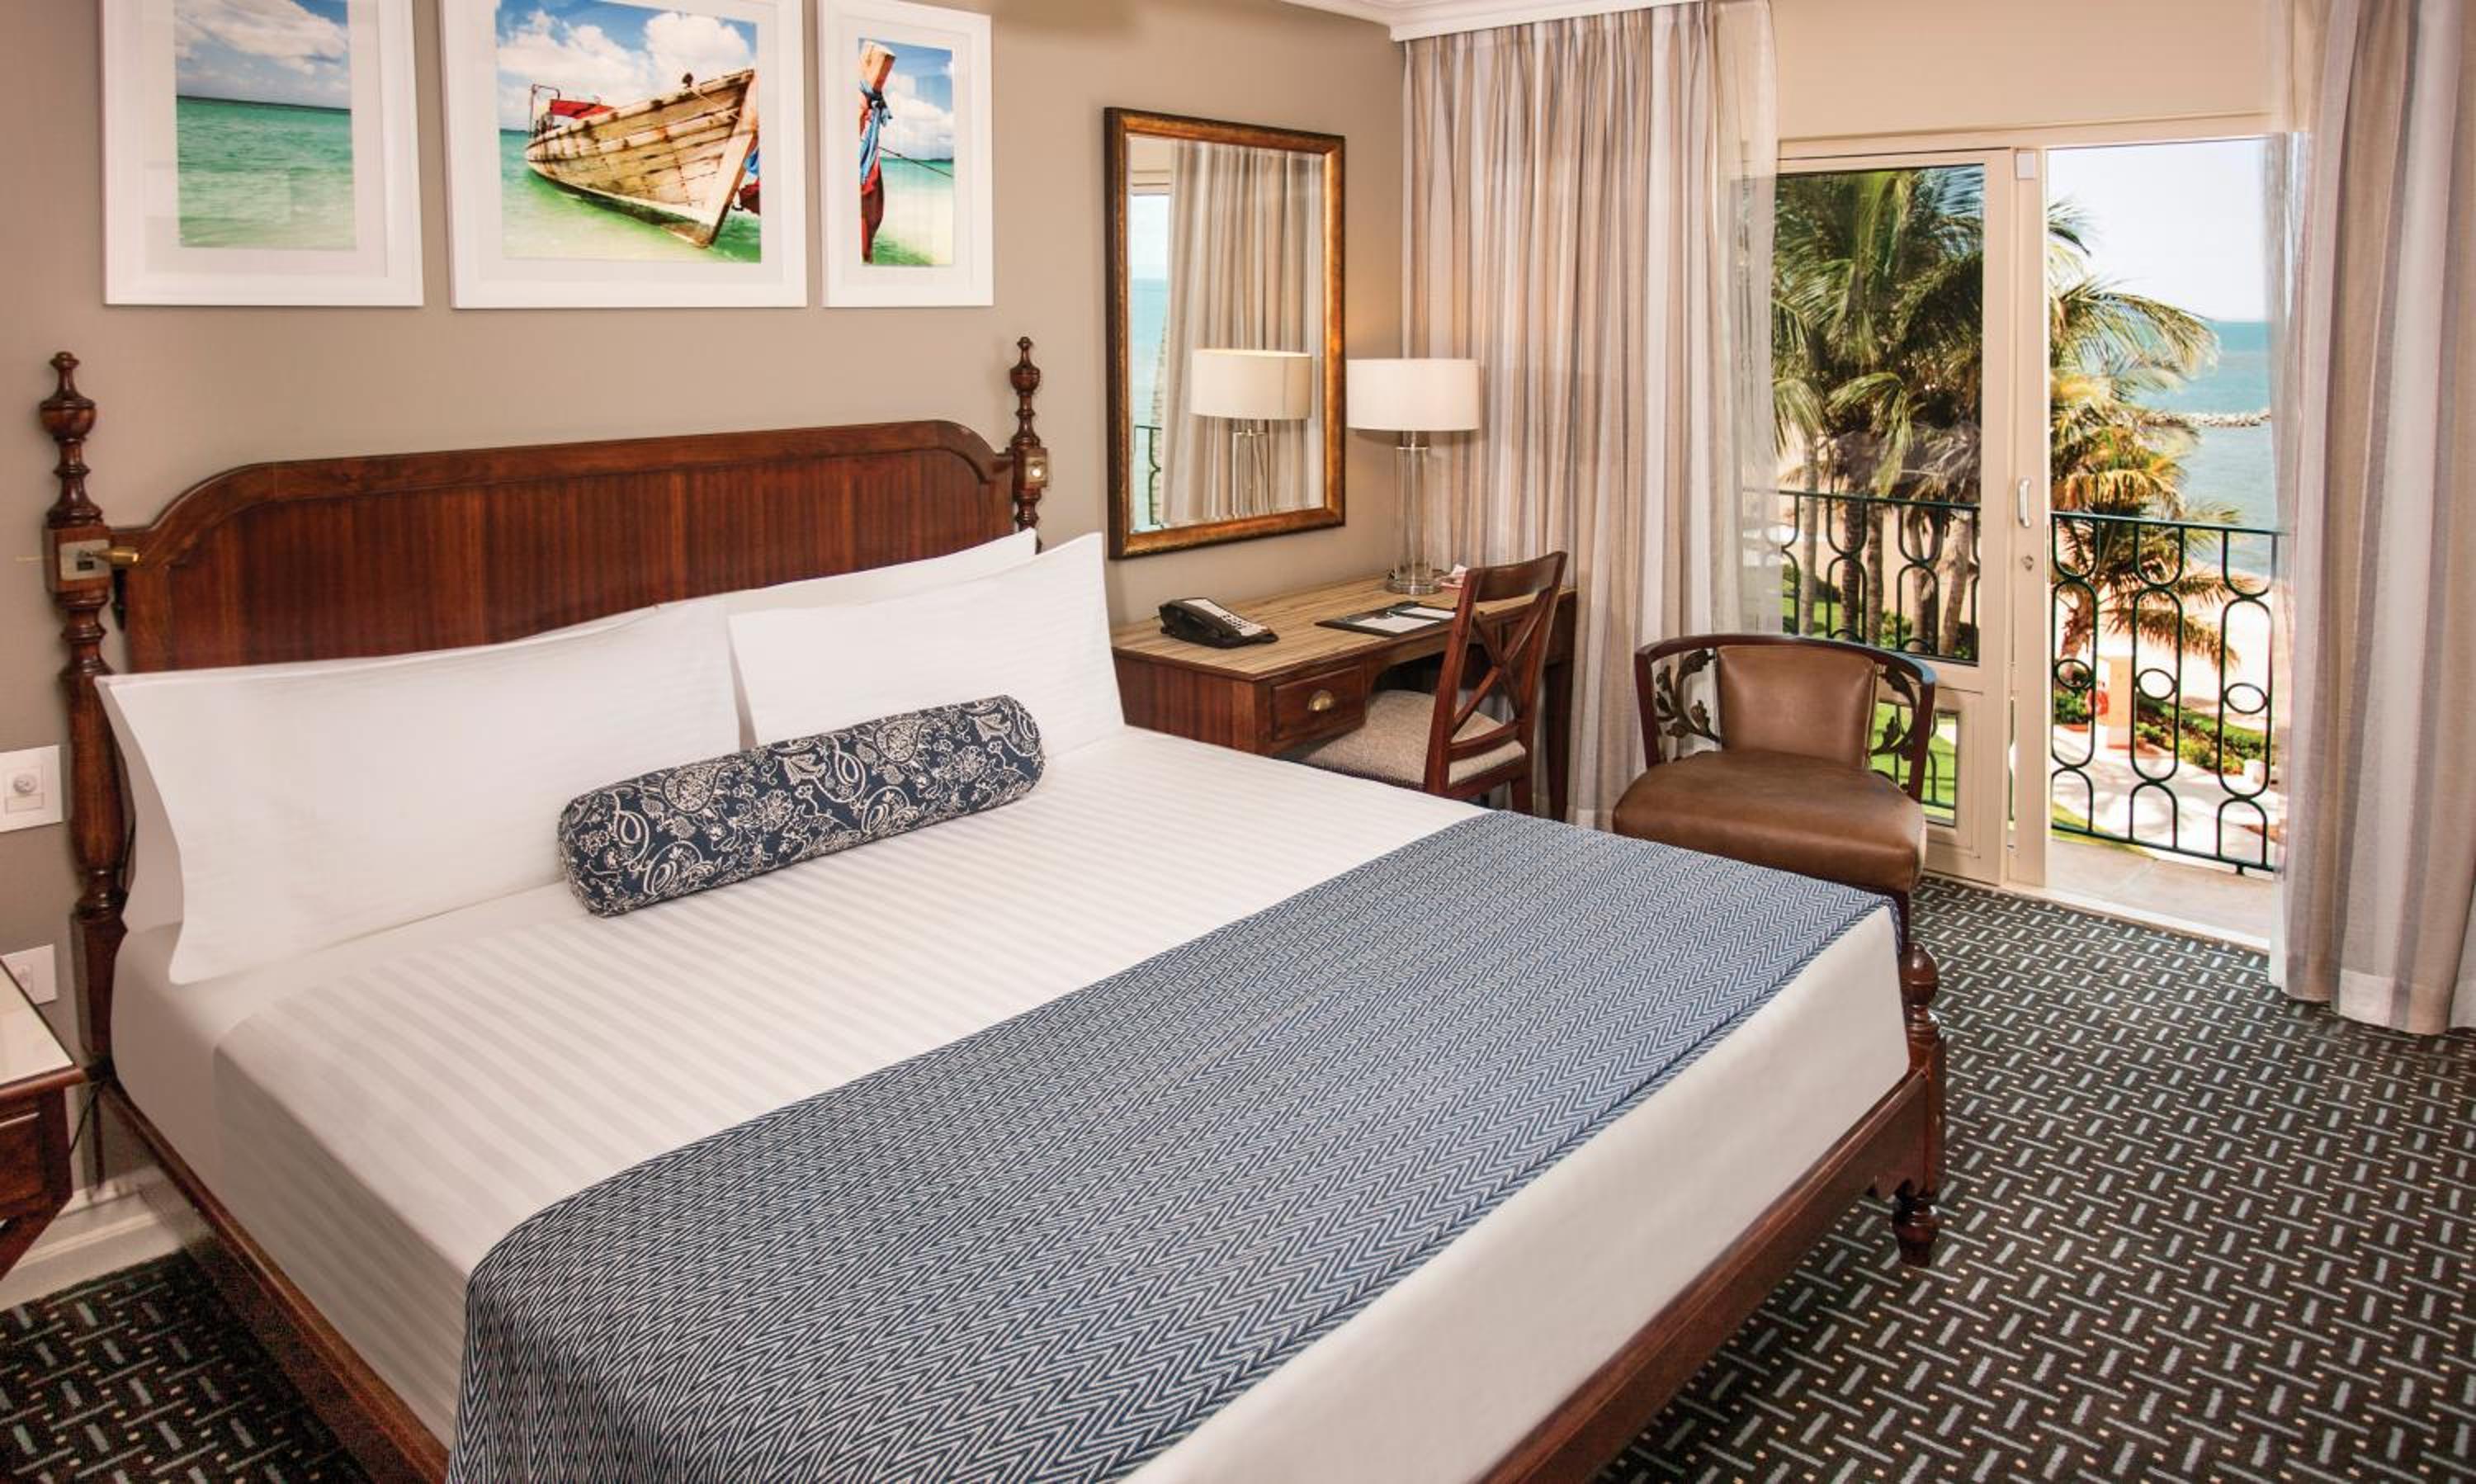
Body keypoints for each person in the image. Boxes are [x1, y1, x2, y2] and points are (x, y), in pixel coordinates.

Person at [858, 42, 895, 262]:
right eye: (880, 78)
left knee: (871, 209)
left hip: (867, 164)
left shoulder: (872, 102)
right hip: (861, 168)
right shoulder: (861, 99)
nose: (881, 82)